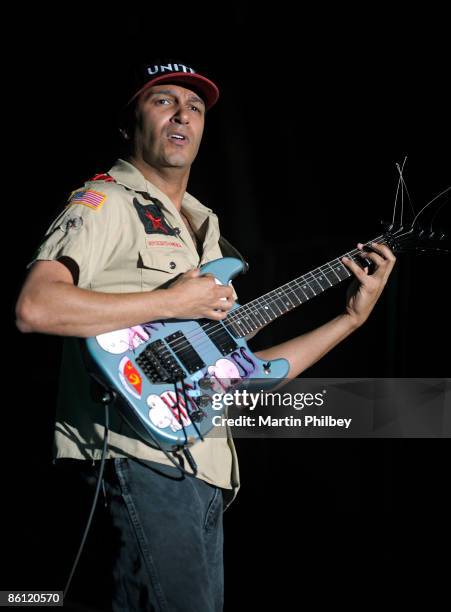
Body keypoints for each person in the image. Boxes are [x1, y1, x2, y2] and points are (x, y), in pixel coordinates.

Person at [15, 59, 396, 611]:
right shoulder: (105, 203)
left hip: (206, 474)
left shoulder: (209, 237)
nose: (182, 114)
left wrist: (351, 320)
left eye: (195, 107)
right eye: (163, 100)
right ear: (129, 124)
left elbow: (245, 378)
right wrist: (174, 300)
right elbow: (35, 306)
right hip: (136, 459)